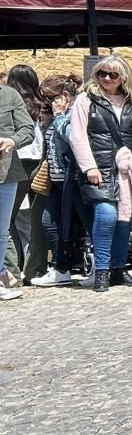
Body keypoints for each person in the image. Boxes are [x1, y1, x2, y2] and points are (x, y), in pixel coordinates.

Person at [67, 55, 132, 293]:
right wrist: (89, 167)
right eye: (102, 73)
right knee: (106, 217)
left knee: (125, 220)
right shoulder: (86, 100)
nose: (106, 78)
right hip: (99, 168)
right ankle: (101, 270)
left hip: (126, 169)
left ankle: (118, 268)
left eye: (112, 74)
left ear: (123, 77)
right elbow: (78, 135)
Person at [28, 75, 83, 288]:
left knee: (85, 223)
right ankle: (61, 269)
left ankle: (99, 265)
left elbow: (73, 138)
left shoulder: (74, 113)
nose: (47, 102)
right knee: (49, 223)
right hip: (57, 180)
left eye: (50, 98)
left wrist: (59, 117)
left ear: (65, 96)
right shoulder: (56, 115)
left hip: (74, 178)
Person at [3, 65, 46, 286]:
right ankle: (36, 269)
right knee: (36, 221)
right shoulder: (41, 104)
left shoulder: (11, 102)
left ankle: (11, 271)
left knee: (6, 221)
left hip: (16, 162)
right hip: (39, 163)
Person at [0, 75, 37, 302]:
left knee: (1, 230)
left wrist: (13, 141)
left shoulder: (9, 95)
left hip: (6, 171)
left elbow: (27, 129)